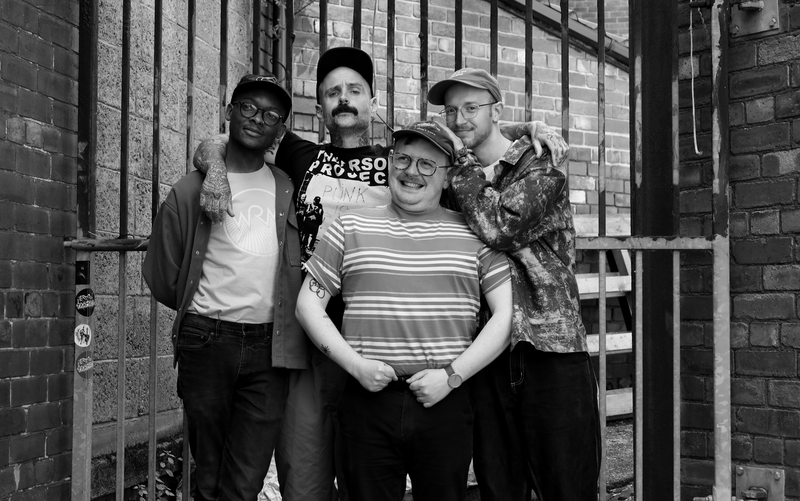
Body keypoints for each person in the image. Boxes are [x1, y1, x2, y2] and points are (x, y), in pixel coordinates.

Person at [193, 47, 569, 501]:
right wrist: (215, 172)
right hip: (314, 339)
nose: (344, 99)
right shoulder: (298, 153)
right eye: (332, 92)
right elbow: (232, 138)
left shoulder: (400, 155)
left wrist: (522, 130)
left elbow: (462, 134)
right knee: (307, 476)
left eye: (354, 90)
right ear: (320, 105)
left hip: (390, 346)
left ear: (373, 102)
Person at [295, 120, 514, 501]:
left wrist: (452, 376)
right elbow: (307, 305)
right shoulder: (348, 226)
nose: (412, 171)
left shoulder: (476, 234)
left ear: (448, 177)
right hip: (366, 402)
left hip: (445, 401)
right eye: (403, 159)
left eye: (427, 164)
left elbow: (506, 316)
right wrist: (355, 366)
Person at [428, 68, 601, 501]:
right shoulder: (452, 172)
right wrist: (520, 125)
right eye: (451, 110)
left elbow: (499, 227)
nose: (459, 119)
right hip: (485, 353)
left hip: (549, 347)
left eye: (471, 107)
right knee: (499, 488)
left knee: (567, 489)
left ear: (496, 110)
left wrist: (465, 157)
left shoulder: (541, 165)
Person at [143, 73, 307, 501]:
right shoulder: (190, 189)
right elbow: (161, 275)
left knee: (246, 478)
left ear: (280, 130)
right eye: (248, 107)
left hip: (269, 347)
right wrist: (201, 307)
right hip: (206, 339)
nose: (257, 118)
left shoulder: (287, 186)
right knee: (209, 474)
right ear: (229, 112)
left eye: (270, 115)